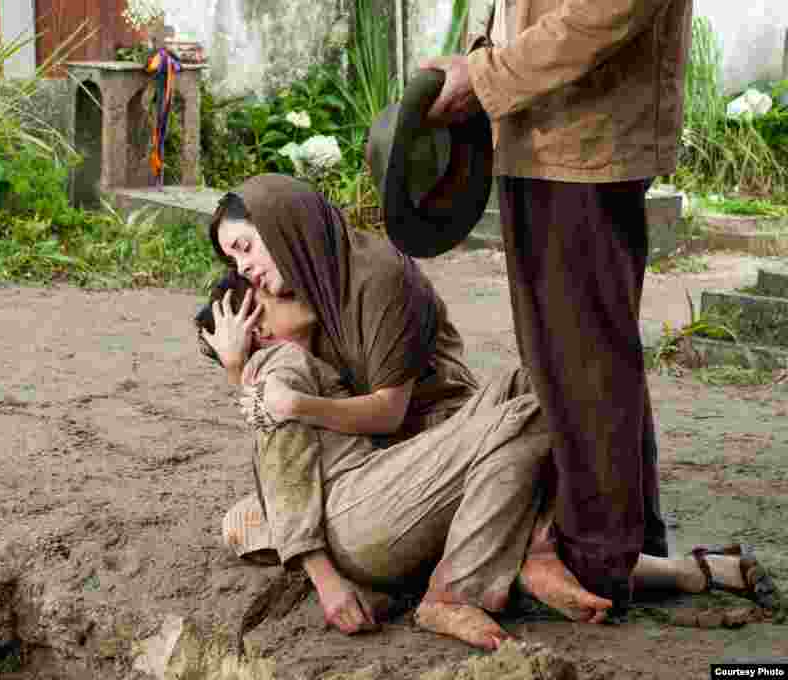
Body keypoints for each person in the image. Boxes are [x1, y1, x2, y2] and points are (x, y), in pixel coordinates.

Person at [195, 273, 779, 650]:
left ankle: (570, 554)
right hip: (362, 517)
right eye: (270, 295)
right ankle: (459, 590)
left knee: (528, 387)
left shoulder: (312, 355)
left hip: (384, 501)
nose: (282, 285)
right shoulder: (278, 369)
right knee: (534, 412)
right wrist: (326, 584)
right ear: (255, 325)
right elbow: (283, 469)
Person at [417, 0, 692, 609]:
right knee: (575, 352)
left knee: (583, 354)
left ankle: (595, 558)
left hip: (584, 138)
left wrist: (484, 77)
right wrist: (478, 61)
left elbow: (609, 8)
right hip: (545, 129)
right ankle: (624, 538)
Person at [206, 174, 481, 445]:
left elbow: (389, 414)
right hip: (371, 448)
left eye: (245, 247)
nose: (242, 267)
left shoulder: (381, 278)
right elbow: (273, 413)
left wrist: (296, 405)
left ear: (282, 227)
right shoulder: (306, 297)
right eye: (234, 260)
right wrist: (237, 366)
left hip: (443, 434)